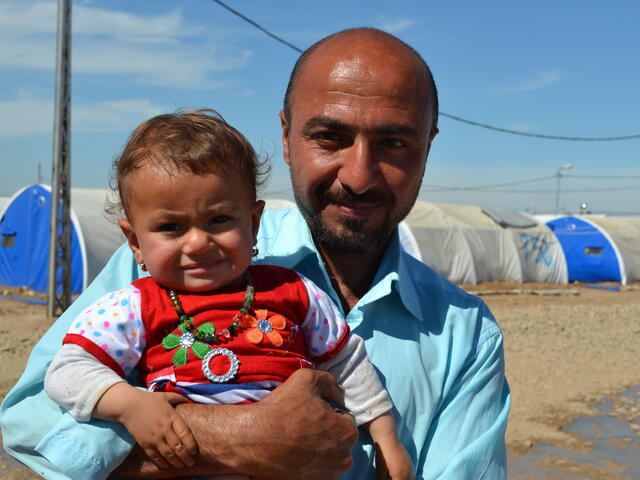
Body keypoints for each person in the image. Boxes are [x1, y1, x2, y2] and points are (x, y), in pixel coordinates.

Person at [1, 27, 510, 479]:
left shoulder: (464, 335)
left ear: (428, 144)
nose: (358, 176)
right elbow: (30, 419)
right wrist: (236, 437)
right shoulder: (165, 271)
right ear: (287, 137)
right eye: (329, 137)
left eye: (394, 143)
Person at [43, 109, 412, 480]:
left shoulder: (293, 290)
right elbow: (67, 371)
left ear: (252, 223)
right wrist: (129, 405)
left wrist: (386, 440)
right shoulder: (134, 305)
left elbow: (346, 362)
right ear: (135, 242)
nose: (198, 242)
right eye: (170, 227)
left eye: (219, 219)